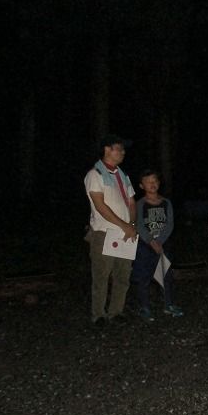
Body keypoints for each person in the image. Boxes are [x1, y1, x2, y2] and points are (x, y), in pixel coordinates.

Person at [83, 134, 137, 325]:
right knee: (101, 275)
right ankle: (98, 314)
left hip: (125, 233)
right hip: (104, 232)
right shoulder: (95, 174)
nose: (123, 152)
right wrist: (124, 225)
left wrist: (131, 225)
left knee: (123, 275)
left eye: (123, 149)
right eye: (119, 148)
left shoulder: (122, 175)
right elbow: (100, 205)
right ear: (107, 149)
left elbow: (131, 202)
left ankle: (116, 311)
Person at [131, 169, 183, 320]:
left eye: (154, 181)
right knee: (144, 277)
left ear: (159, 183)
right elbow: (139, 225)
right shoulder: (140, 204)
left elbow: (170, 224)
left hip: (163, 245)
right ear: (142, 186)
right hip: (145, 246)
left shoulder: (166, 203)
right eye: (148, 182)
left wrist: (160, 241)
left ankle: (168, 305)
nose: (152, 184)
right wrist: (151, 241)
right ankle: (145, 307)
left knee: (165, 276)